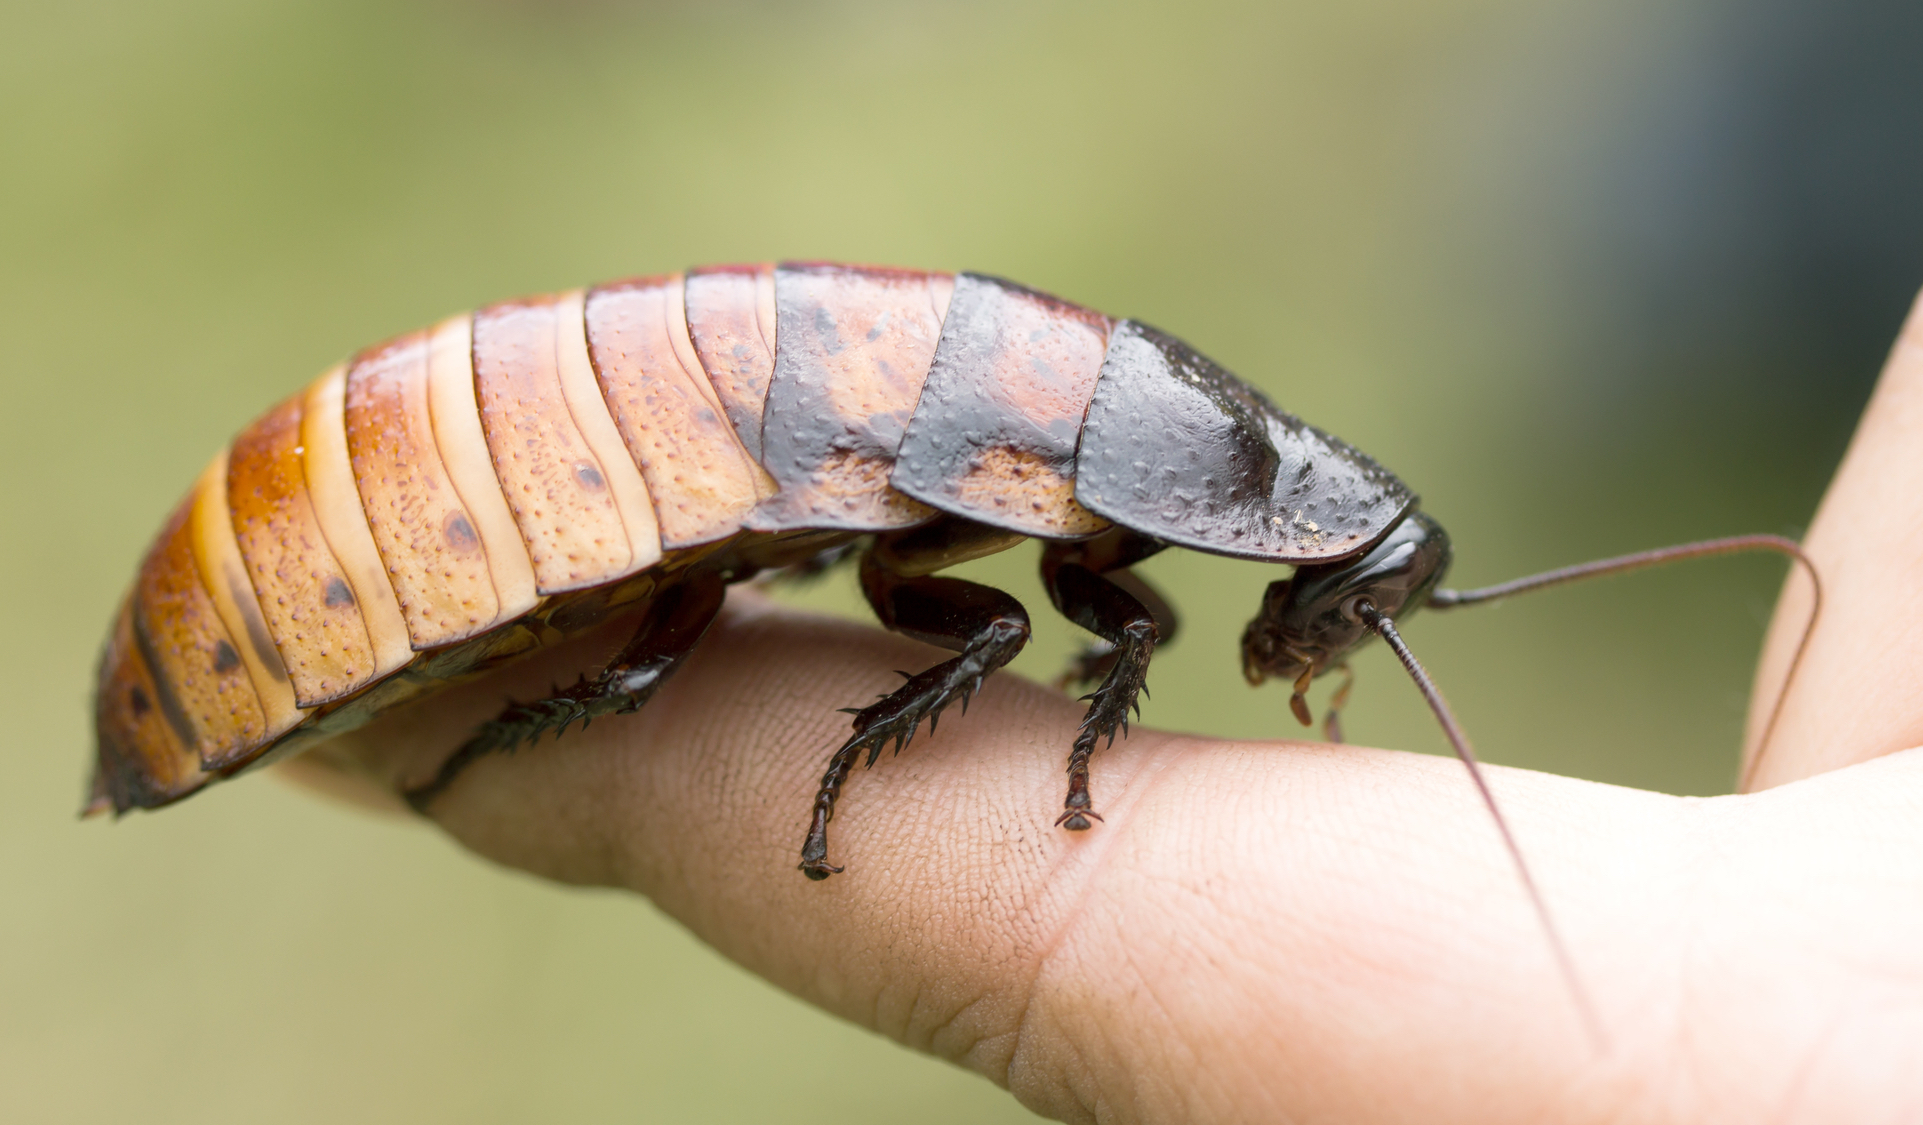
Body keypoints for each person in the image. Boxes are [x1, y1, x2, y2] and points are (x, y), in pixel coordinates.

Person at [283, 295, 1923, 1124]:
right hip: (516, 433)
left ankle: (504, 729)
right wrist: (1035, 735)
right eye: (1338, 601)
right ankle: (507, 727)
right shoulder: (1083, 490)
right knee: (694, 663)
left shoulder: (1103, 480)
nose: (1322, 633)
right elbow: (1083, 610)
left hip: (583, 397)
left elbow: (1101, 602)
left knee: (868, 638)